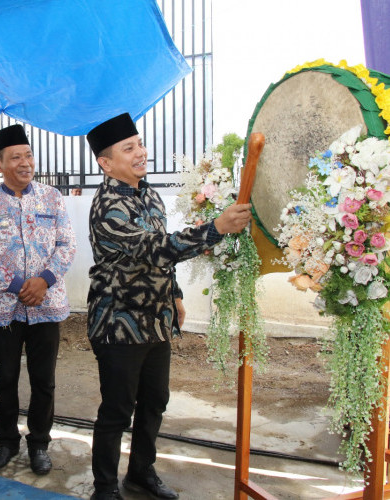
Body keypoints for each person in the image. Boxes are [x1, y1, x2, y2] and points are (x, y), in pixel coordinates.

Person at [85, 113, 252, 500]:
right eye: (129, 148)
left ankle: (141, 473)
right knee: (117, 409)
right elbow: (152, 247)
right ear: (106, 163)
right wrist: (215, 228)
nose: (141, 152)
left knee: (155, 402)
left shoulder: (150, 194)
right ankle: (105, 488)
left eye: (140, 144)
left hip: (155, 321)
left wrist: (174, 295)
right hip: (119, 323)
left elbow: (163, 258)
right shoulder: (107, 205)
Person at [0, 124, 77, 475]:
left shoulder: (52, 198)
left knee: (44, 380)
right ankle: (6, 441)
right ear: (0, 164)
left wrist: (43, 281)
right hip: (4, 307)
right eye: (16, 157)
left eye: (28, 155)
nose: (25, 162)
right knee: (5, 379)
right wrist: (17, 284)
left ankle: (39, 444)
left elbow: (66, 245)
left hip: (46, 305)